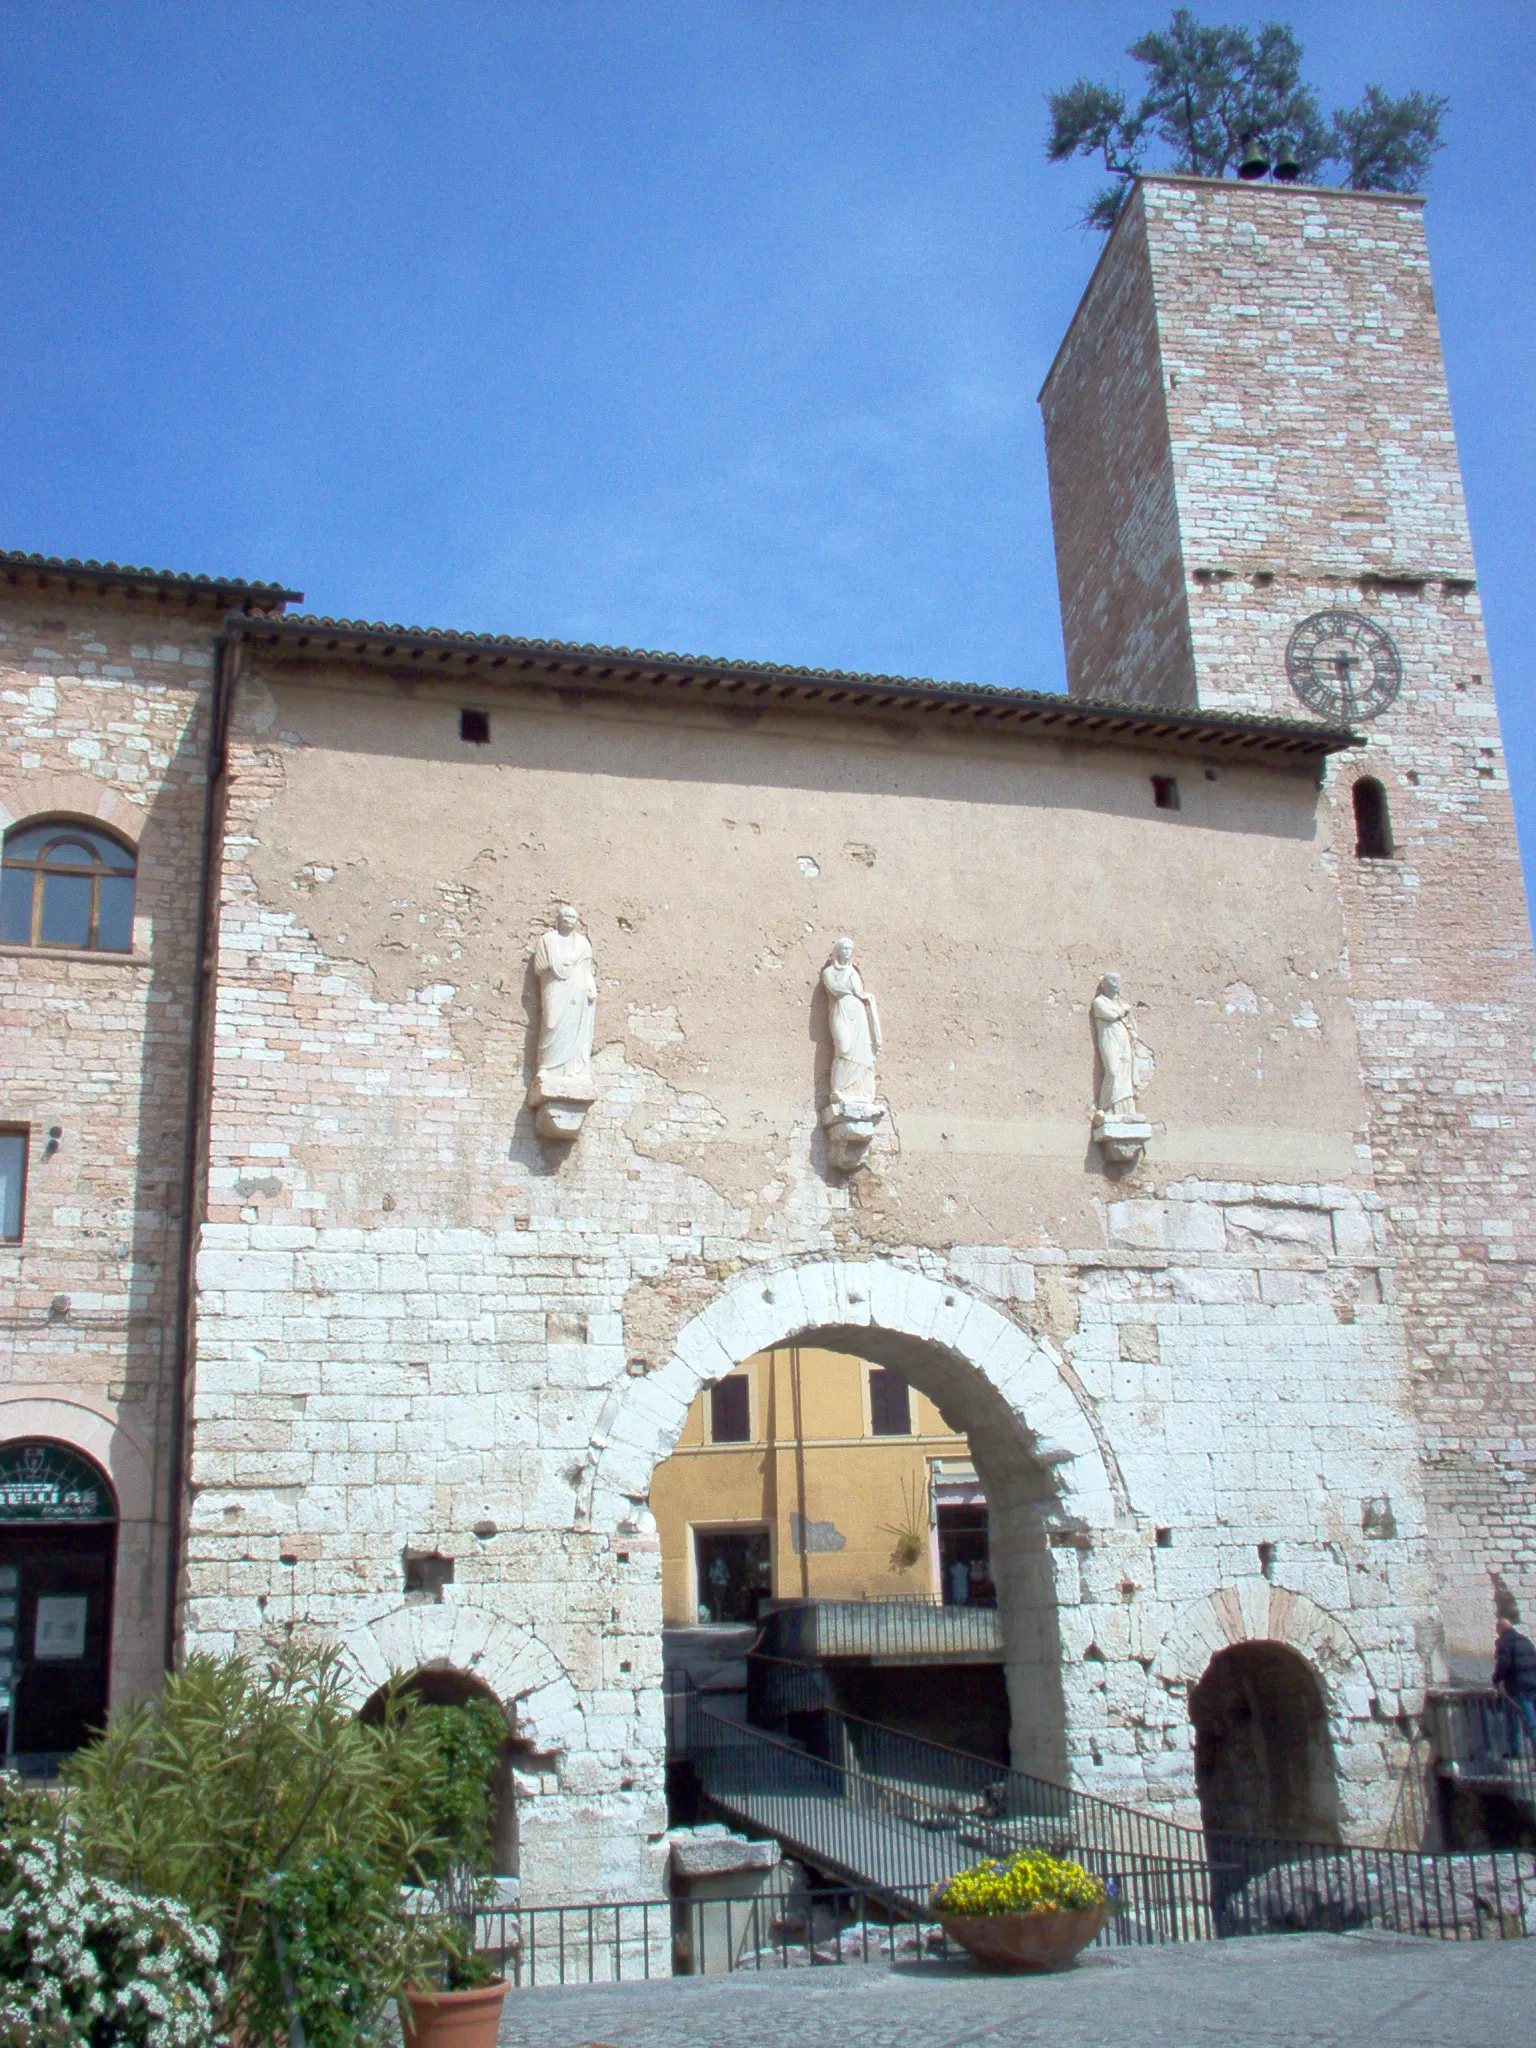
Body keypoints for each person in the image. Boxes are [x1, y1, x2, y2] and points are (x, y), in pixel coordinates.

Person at [1493, 1617, 1536, 1750]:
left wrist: (1496, 1679)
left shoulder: (1504, 1642)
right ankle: (1514, 1749)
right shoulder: (1526, 1641)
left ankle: (1515, 1749)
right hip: (1532, 1684)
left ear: (1500, 1629)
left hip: (1518, 1687)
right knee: (1519, 1717)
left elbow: (1503, 1664)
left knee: (1528, 1722)